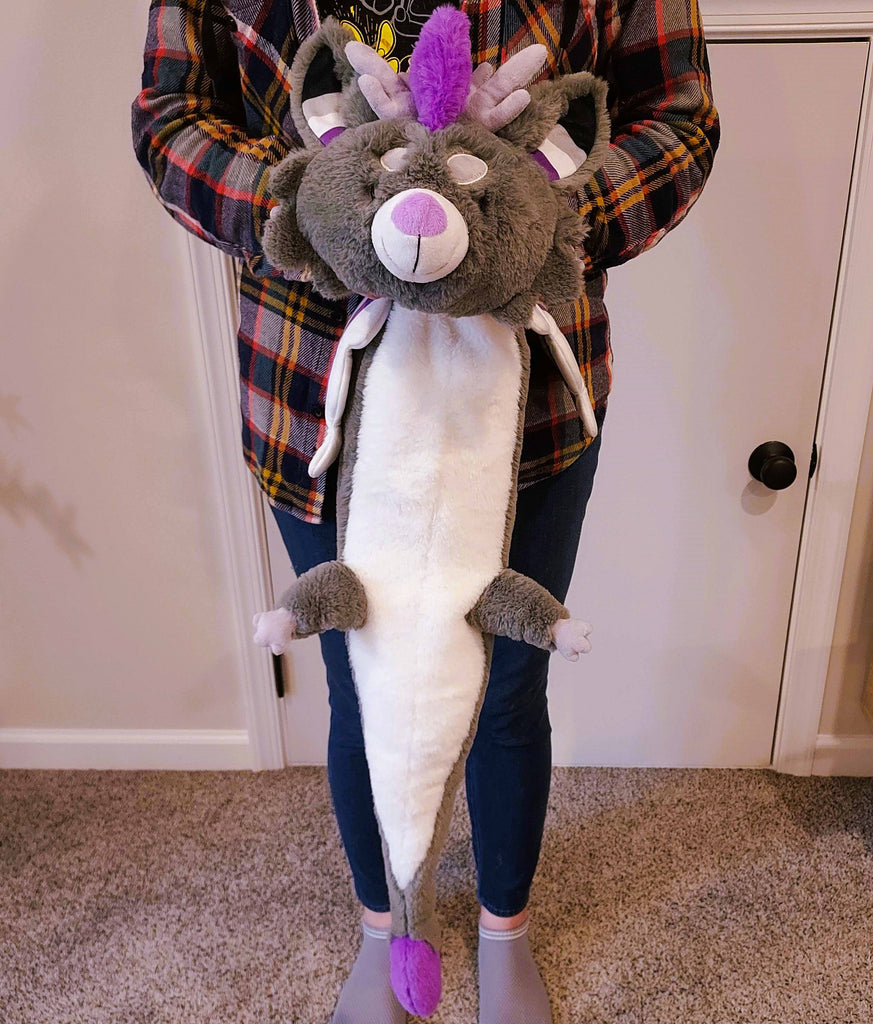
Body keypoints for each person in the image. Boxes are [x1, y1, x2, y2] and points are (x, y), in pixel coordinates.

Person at [131, 1, 719, 1021]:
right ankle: (383, 928)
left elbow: (677, 114)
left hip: (529, 393)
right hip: (312, 380)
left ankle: (504, 931)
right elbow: (172, 113)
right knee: (359, 678)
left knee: (505, 679)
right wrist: (323, 209)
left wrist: (533, 220)